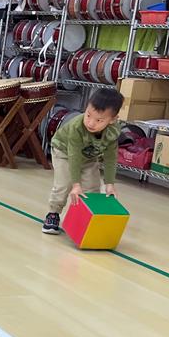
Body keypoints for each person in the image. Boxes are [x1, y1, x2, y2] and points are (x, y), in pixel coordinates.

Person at [43, 88, 124, 235]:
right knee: (64, 184)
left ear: (112, 120)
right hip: (64, 152)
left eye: (99, 120)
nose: (91, 123)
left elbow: (110, 158)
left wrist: (110, 184)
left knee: (92, 188)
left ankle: (84, 220)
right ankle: (53, 213)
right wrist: (76, 185)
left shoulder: (113, 132)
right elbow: (74, 156)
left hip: (88, 157)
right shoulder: (77, 127)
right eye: (88, 115)